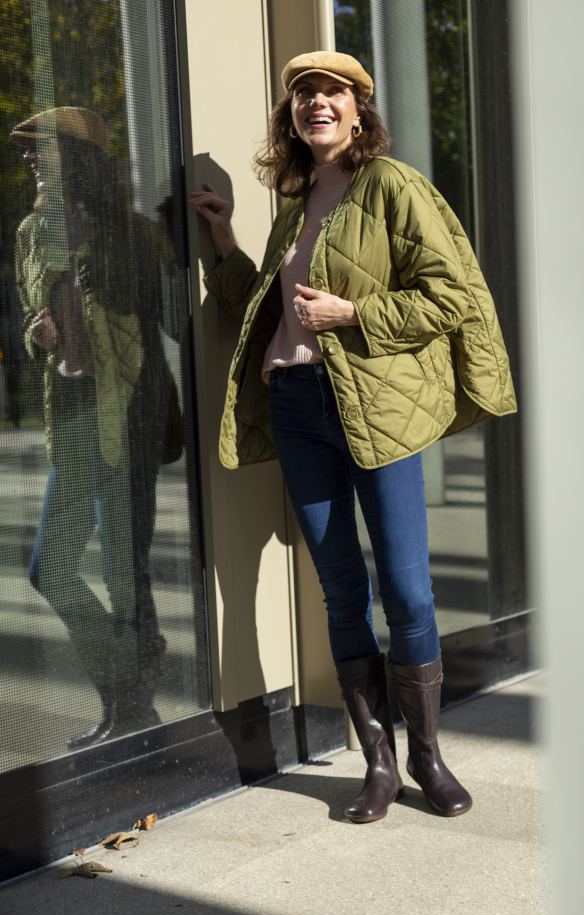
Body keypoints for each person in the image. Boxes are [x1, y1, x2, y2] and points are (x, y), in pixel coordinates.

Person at [191, 52, 516, 823]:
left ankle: (426, 758)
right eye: (303, 96)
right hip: (299, 408)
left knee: (405, 590)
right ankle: (374, 761)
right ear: (291, 117)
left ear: (358, 108)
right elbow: (265, 310)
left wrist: (356, 315)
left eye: (331, 93)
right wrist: (226, 241)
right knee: (342, 589)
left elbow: (452, 295)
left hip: (375, 409)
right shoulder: (296, 200)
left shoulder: (392, 186)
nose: (316, 105)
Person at [12, 107, 182, 749]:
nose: (29, 158)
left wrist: (197, 251)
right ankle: (121, 691)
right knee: (49, 570)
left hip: (129, 414)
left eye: (41, 148)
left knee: (123, 571)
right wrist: (39, 337)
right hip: (73, 419)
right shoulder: (31, 232)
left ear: (77, 156)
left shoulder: (131, 233)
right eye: (27, 151)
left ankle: (133, 711)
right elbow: (35, 321)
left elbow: (173, 321)